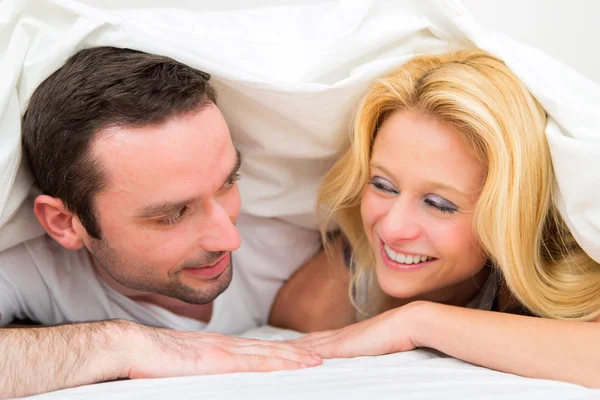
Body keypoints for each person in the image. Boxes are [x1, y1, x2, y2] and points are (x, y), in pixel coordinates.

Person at [0, 46, 322, 398]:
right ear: (64, 223)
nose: (229, 239)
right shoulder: (31, 267)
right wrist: (121, 345)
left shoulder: (296, 235)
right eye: (172, 215)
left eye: (229, 181)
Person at [270, 50, 600, 387]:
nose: (392, 228)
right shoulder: (336, 287)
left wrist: (419, 322)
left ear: (506, 216)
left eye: (439, 204)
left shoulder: (559, 275)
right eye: (383, 185)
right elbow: (288, 327)